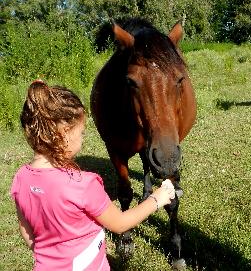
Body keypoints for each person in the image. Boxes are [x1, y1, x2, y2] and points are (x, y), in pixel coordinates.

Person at [10, 80, 176, 271]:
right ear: (64, 134)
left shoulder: (20, 179)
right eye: (81, 133)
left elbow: (27, 233)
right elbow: (120, 224)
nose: (82, 140)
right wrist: (157, 198)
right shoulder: (82, 185)